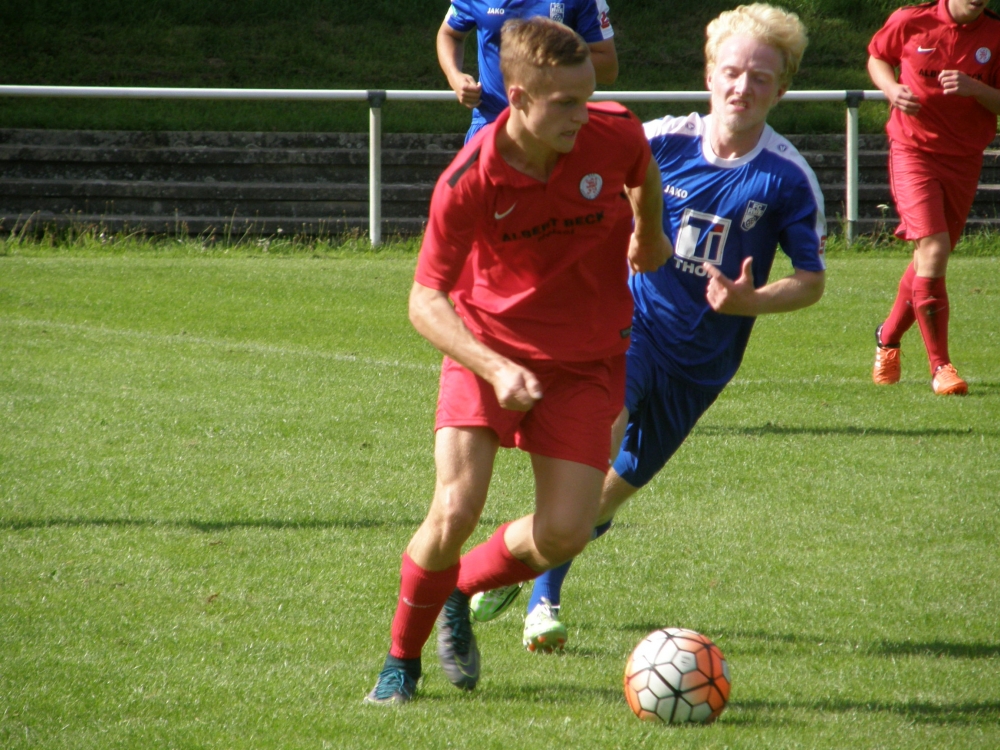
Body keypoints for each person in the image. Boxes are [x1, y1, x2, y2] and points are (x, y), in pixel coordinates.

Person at [470, 2, 827, 653]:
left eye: (760, 77)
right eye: (731, 72)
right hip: (626, 331)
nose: (742, 87)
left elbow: (811, 280)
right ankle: (544, 602)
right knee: (593, 454)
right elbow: (583, 183)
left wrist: (751, 301)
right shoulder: (659, 139)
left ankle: (516, 560)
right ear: (709, 74)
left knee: (604, 498)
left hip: (702, 367)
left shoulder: (787, 179)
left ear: (782, 88)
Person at [364, 16, 671, 705]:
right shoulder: (470, 178)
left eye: (587, 97)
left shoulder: (613, 130)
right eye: (566, 103)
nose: (582, 114)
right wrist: (495, 367)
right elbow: (424, 300)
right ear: (520, 97)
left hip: (588, 360)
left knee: (565, 533)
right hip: (489, 350)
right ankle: (400, 663)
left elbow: (641, 170)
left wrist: (649, 234)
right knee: (454, 510)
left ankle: (458, 589)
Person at [869, 0, 1000, 395]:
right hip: (913, 150)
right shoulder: (911, 20)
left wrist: (976, 88)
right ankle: (941, 366)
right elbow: (878, 57)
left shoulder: (995, 35)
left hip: (964, 157)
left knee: (929, 259)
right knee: (935, 248)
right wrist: (891, 89)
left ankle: (887, 337)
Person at [437, 0, 618, 141]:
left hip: (556, 128)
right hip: (491, 122)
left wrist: (544, 65)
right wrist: (454, 76)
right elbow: (449, 33)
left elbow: (608, 68)